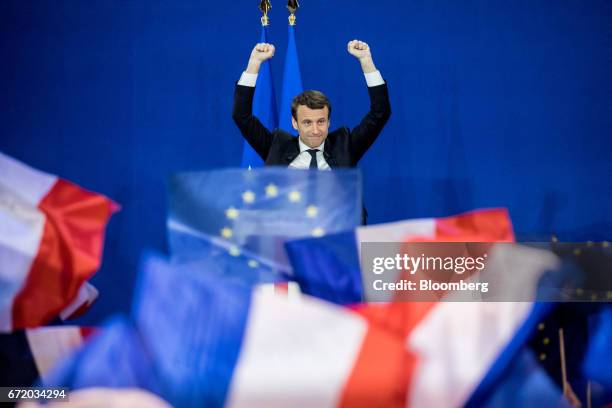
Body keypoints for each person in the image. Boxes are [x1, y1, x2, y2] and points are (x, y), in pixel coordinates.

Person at [232, 40, 391, 223]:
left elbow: (380, 113)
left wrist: (366, 61)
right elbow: (241, 115)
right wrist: (254, 64)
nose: (315, 130)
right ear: (294, 123)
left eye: (321, 121)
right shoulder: (276, 146)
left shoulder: (345, 145)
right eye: (307, 122)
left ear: (329, 121)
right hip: (287, 239)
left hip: (338, 238)